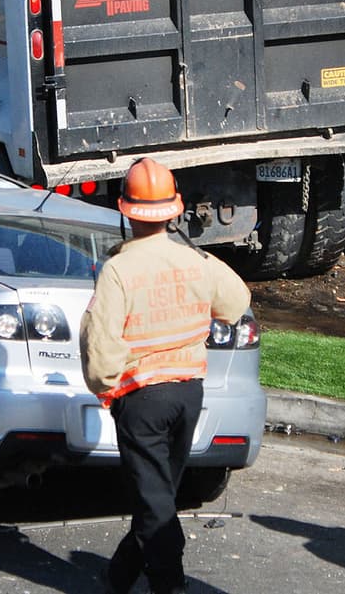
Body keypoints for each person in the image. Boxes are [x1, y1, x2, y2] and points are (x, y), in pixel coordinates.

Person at [80, 157, 251, 594]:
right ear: (174, 210)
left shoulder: (118, 270)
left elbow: (100, 343)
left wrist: (104, 387)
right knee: (158, 494)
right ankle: (119, 577)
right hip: (188, 393)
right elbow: (236, 302)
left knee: (154, 499)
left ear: (125, 210)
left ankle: (168, 584)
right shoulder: (195, 260)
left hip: (142, 399)